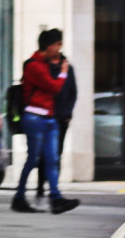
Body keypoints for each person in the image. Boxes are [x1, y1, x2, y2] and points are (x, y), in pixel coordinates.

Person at [12, 29, 79, 214]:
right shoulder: (33, 66)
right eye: (56, 45)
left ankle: (56, 198)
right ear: (48, 46)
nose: (59, 49)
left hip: (50, 118)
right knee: (33, 159)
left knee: (52, 159)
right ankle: (19, 197)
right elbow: (54, 86)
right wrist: (63, 72)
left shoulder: (48, 64)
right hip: (34, 118)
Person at [35, 43, 77, 203]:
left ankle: (53, 188)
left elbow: (73, 92)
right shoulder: (43, 67)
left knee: (56, 154)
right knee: (43, 153)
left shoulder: (67, 68)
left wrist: (67, 114)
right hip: (46, 116)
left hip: (61, 118)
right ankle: (40, 187)